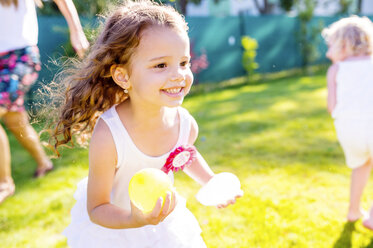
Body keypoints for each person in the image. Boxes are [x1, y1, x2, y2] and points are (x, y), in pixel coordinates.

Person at [49, 1, 242, 247]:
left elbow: (181, 155)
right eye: (161, 65)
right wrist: (134, 218)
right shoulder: (110, 135)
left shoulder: (185, 124)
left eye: (184, 63)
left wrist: (211, 181)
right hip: (115, 230)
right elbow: (97, 208)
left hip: (164, 226)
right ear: (123, 76)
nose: (178, 75)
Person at [0, 0, 89, 204]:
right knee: (15, 120)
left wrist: (76, 31)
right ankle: (44, 163)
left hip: (21, 57)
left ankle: (4, 183)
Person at [322, 16, 373, 224]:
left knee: (360, 165)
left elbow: (331, 107)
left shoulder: (335, 70)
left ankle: (353, 212)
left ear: (343, 45)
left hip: (348, 131)